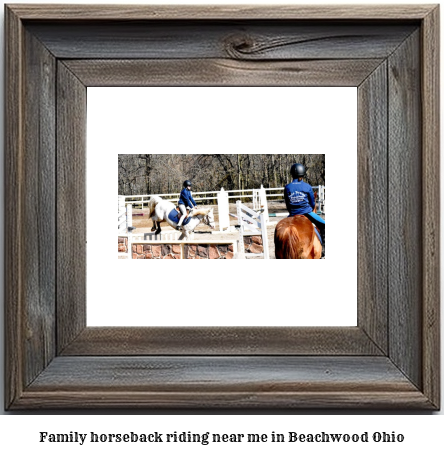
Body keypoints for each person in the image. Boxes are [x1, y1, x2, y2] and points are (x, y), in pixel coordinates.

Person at [284, 163, 325, 255]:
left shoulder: (287, 187)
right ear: (302, 174)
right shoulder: (307, 186)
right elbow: (312, 203)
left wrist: (292, 211)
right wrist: (309, 209)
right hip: (307, 213)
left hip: (292, 214)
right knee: (324, 225)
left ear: (292, 174)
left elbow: (287, 203)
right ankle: (324, 250)